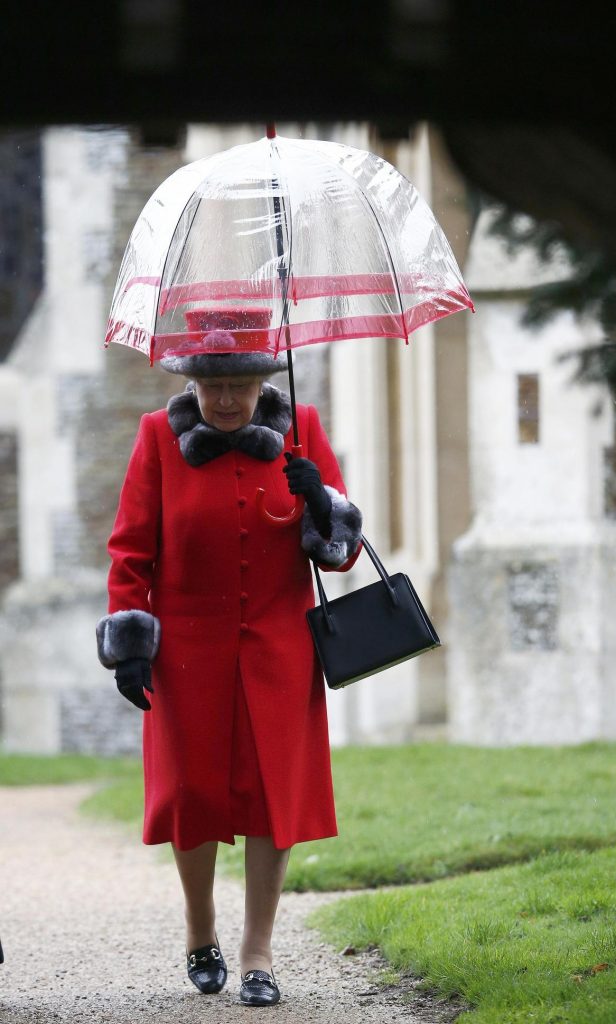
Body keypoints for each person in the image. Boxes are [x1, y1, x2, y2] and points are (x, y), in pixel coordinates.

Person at [96, 307, 362, 1007]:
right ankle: (200, 926)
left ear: (262, 379)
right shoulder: (157, 437)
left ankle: (258, 952)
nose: (224, 400)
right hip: (186, 650)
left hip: (280, 647)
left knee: (274, 794)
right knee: (193, 794)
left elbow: (341, 554)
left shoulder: (301, 429)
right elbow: (130, 549)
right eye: (211, 385)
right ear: (191, 383)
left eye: (238, 385)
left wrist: (321, 502)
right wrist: (131, 646)